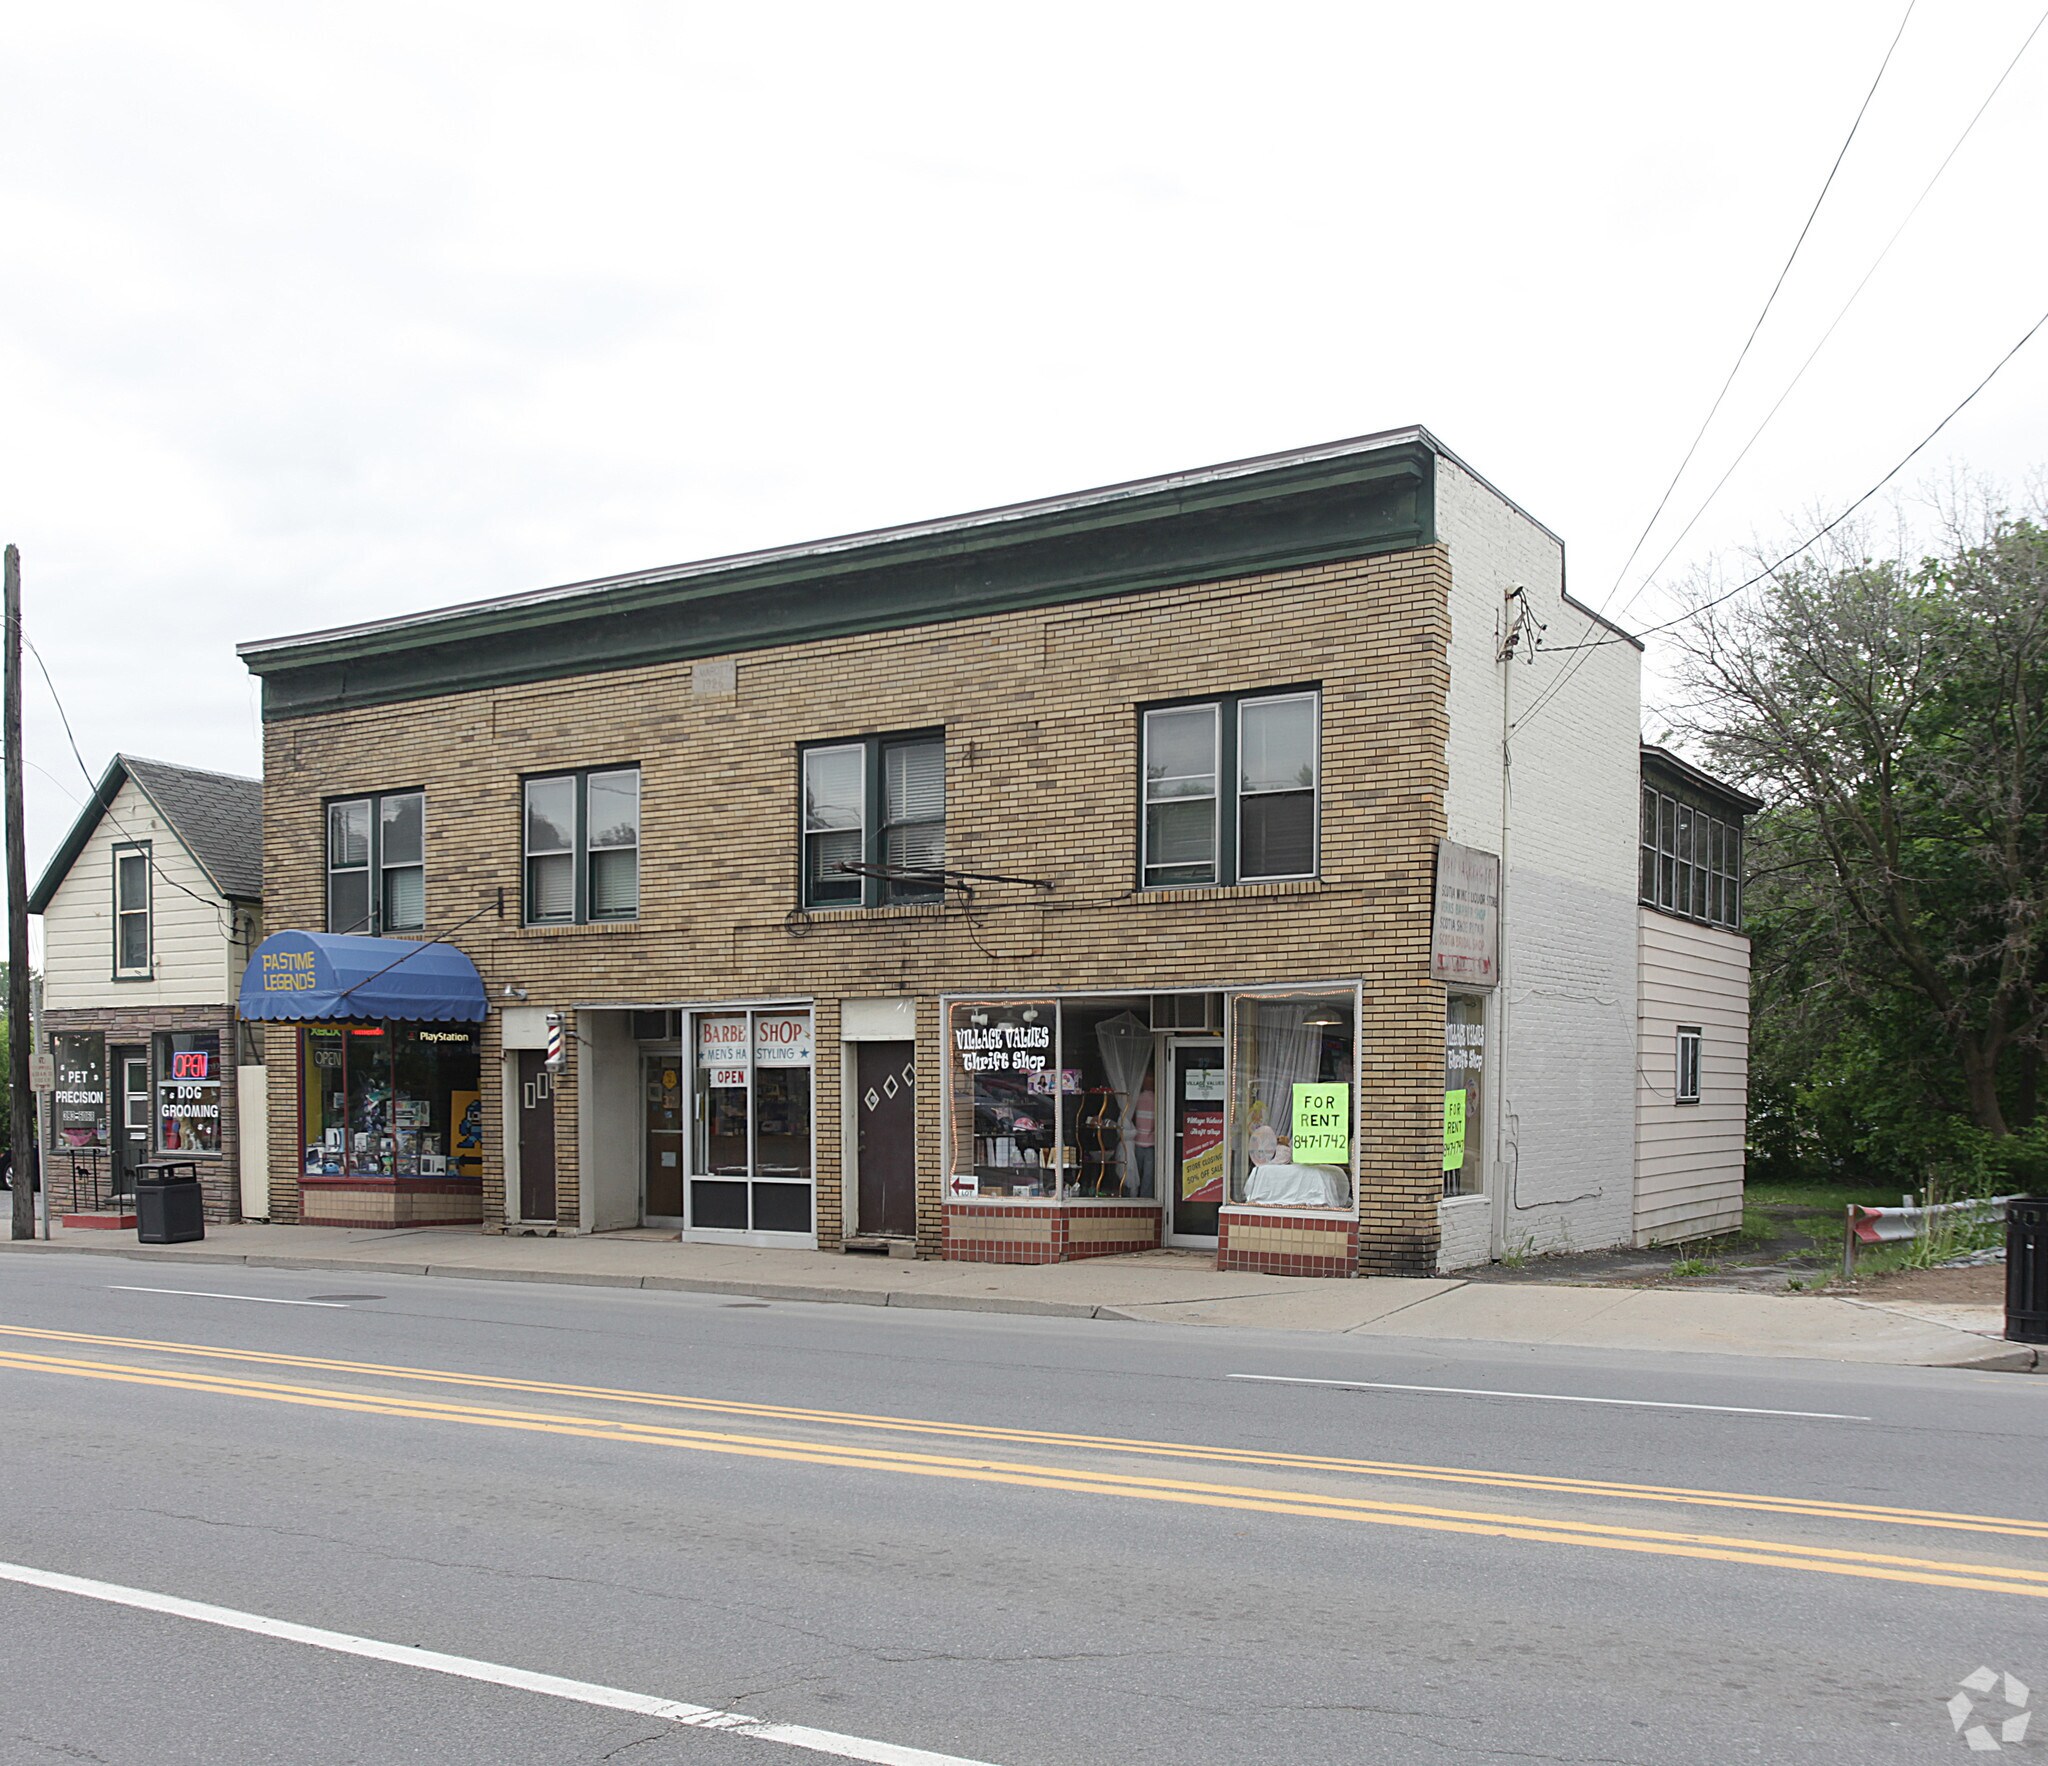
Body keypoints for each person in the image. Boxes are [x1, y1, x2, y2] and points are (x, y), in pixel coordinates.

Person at [1129, 1074, 1155, 1197]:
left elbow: (1131, 1117)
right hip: (1145, 1141)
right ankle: (1145, 1198)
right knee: (1147, 1175)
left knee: (1137, 1172)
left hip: (1142, 1141)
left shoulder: (1137, 1098)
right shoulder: (1156, 1099)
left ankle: (1135, 1197)